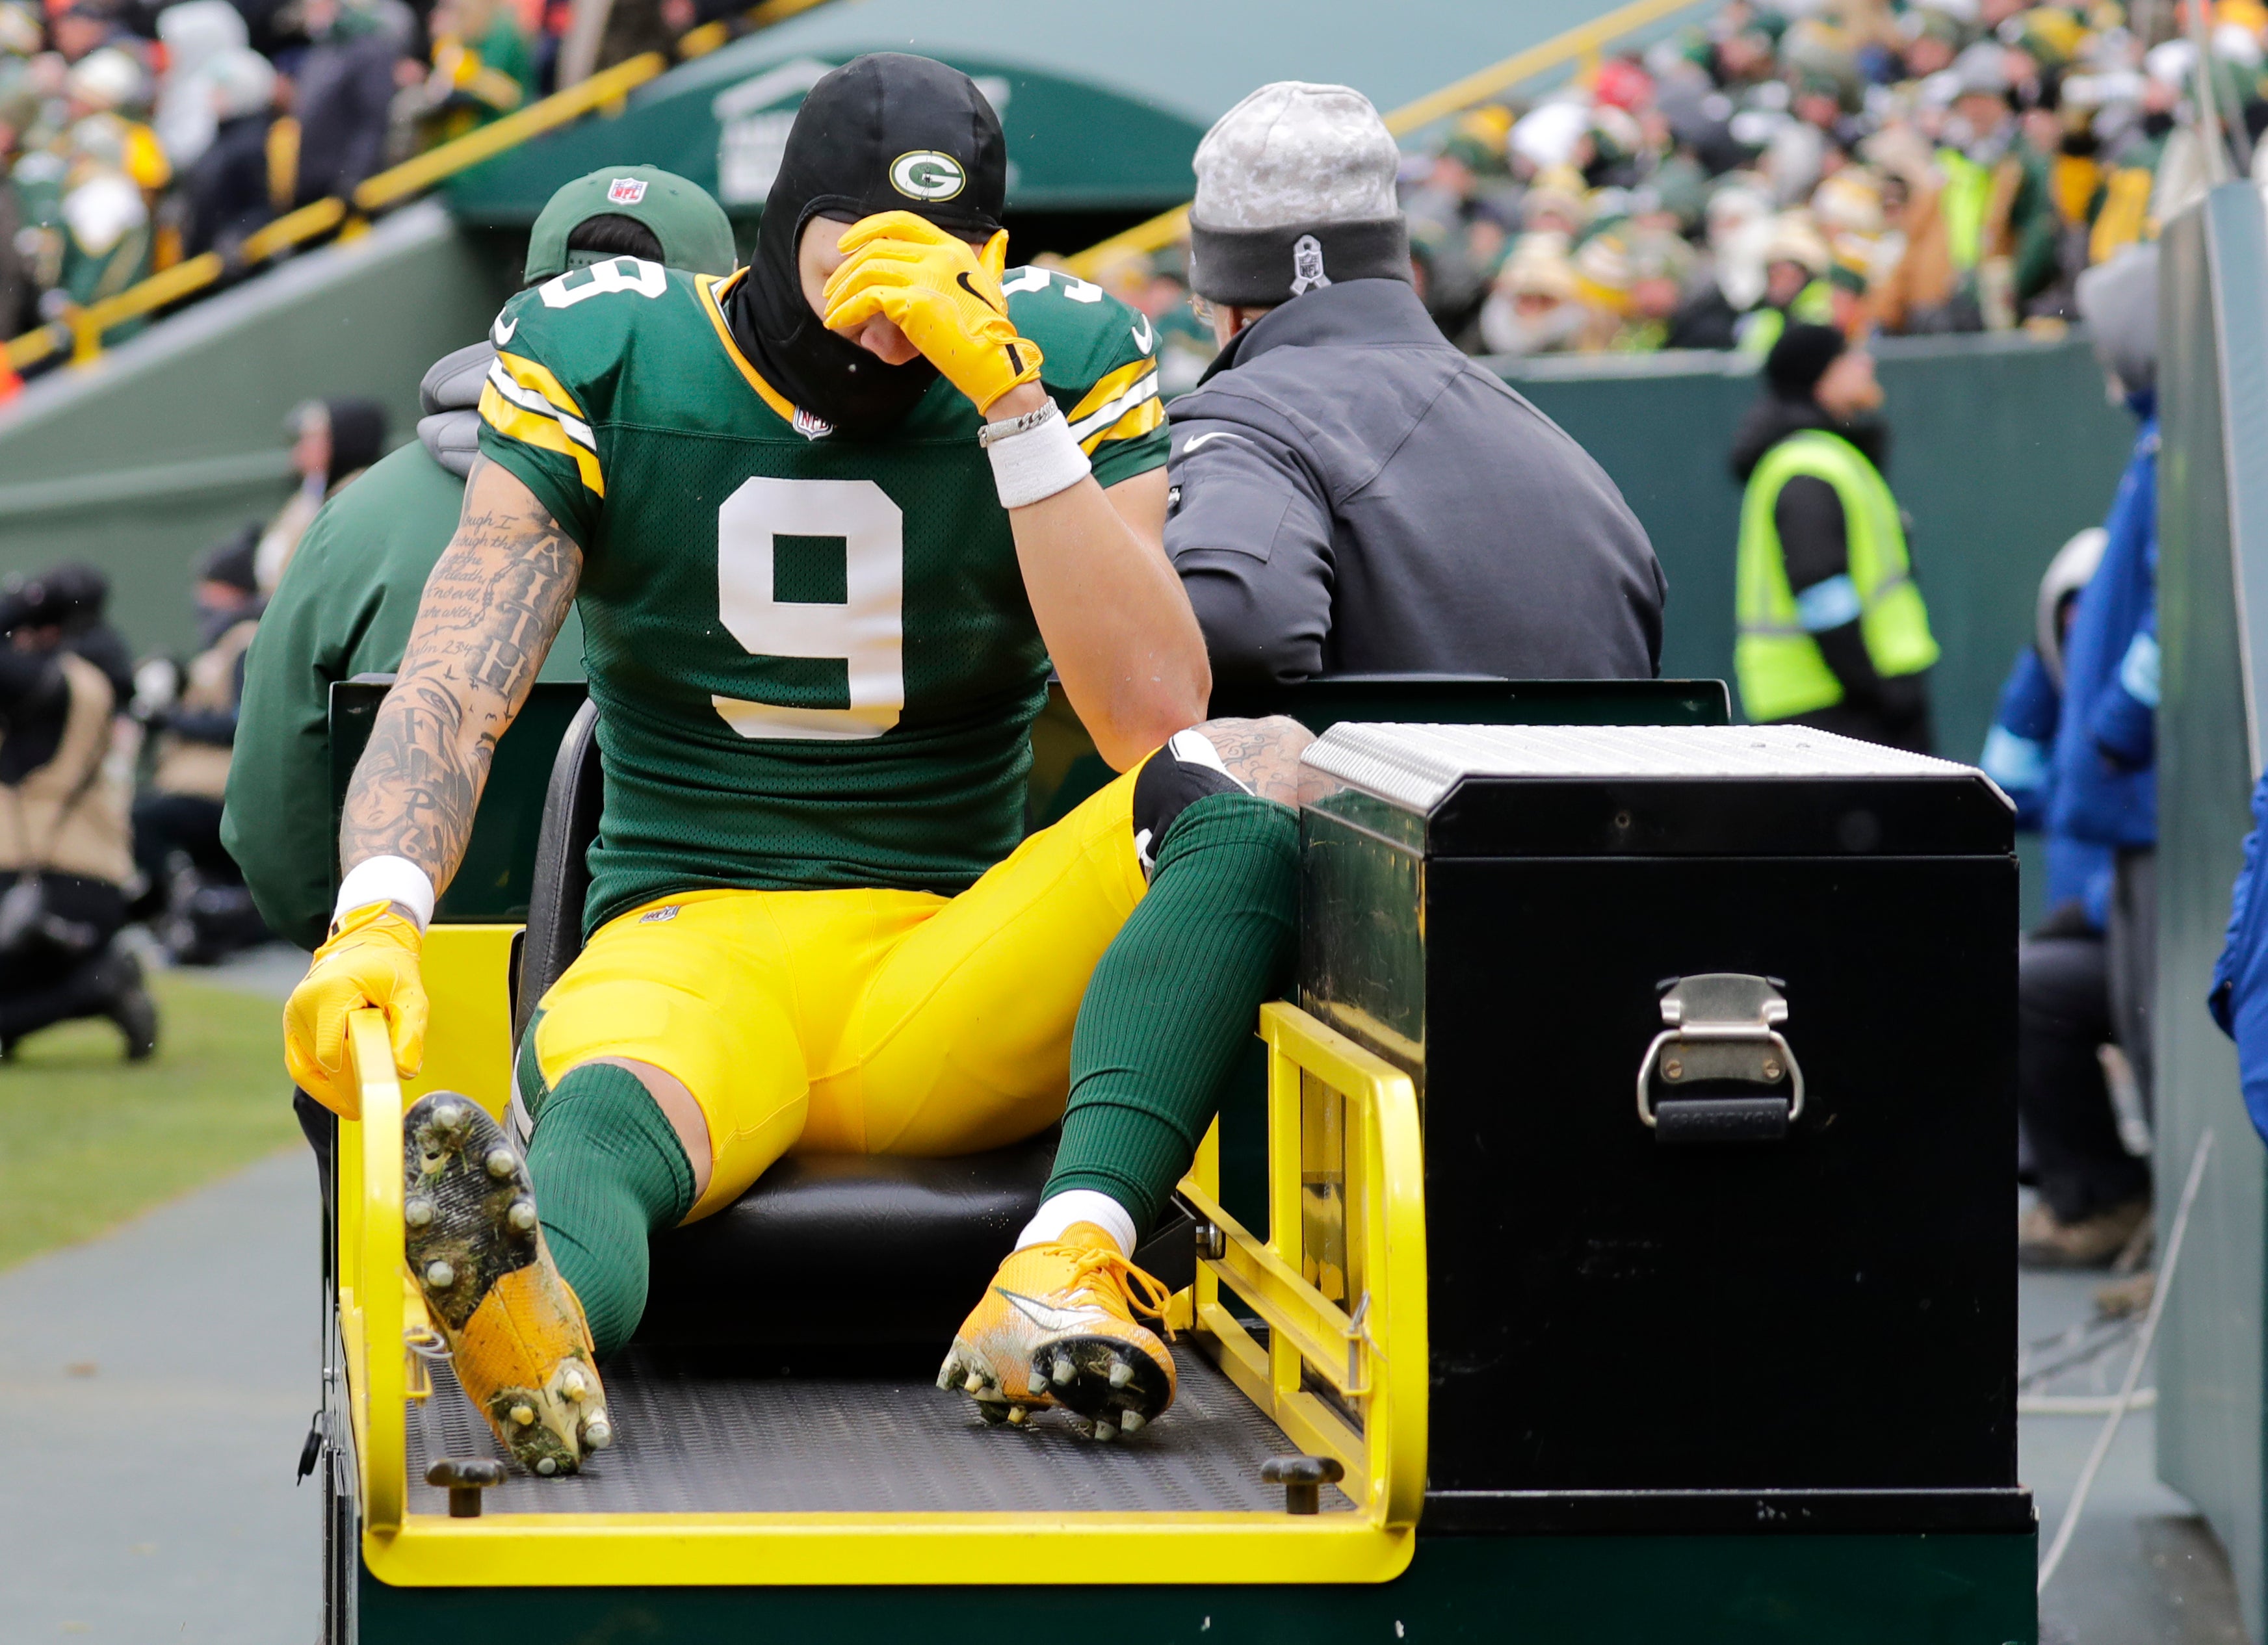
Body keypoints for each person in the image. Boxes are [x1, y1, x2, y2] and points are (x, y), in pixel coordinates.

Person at [281, 54, 1306, 1477]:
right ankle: (530, 1311)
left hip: (943, 955)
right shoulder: (617, 348)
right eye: (859, 259)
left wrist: (1012, 409)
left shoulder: (1056, 353)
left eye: (938, 265)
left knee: (1231, 790)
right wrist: (382, 899)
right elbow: (463, 667)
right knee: (601, 1134)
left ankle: (1061, 1263)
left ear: (993, 256)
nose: (892, 317)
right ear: (782, 228)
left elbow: (1149, 710)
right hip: (690, 939)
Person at [226, 164, 739, 953]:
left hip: (416, 1011)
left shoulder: (357, 519)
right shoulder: (804, 505)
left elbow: (275, 845)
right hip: (712, 1004)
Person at [1162, 82, 1663, 697]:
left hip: (1359, 796)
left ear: (1231, 309)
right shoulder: (1575, 468)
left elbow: (1232, 627)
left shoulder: (1244, 420)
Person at [2025, 242, 2159, 1261]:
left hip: (2156, 848)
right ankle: (2108, 1203)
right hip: (2119, 859)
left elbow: (2167, 622)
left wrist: (2118, 726)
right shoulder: (2152, 463)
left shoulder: (2172, 466)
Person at [1982, 528, 2152, 1265]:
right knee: (2010, 979)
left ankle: (2135, 1207)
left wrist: (2089, 906)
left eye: (2096, 618)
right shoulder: (2063, 681)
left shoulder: (2149, 715)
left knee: (2029, 981)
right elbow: (2006, 781)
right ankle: (2091, 1194)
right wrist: (2050, 671)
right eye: (2068, 619)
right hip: (2098, 941)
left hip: (2155, 943)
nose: (2082, 631)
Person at [1730, 322, 1938, 751]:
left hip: (1835, 708)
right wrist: (1876, 691)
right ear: (1821, 376)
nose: (1866, 363)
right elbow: (1819, 585)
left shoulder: (1819, 457)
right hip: (1836, 713)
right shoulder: (1808, 465)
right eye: (1850, 355)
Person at [0, 570, 157, 1059]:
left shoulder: (56, 680)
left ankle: (99, 987)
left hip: (51, 882)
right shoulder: (92, 673)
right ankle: (93, 984)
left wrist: (16, 608)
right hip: (84, 877)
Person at [133, 528, 267, 958]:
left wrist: (174, 721)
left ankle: (175, 910)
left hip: (222, 791)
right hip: (204, 786)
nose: (201, 599)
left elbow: (244, 723)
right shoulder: (224, 642)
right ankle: (191, 912)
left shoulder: (246, 640)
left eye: (210, 588)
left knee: (146, 818)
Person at [251, 395, 387, 592]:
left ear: (345, 439)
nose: (301, 448)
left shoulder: (361, 499)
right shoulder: (310, 495)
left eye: (315, 437)